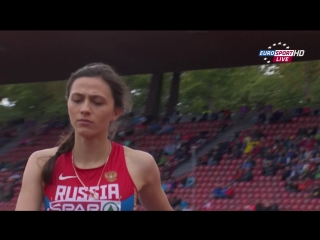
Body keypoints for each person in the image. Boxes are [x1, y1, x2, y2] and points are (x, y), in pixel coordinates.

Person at [15, 63, 173, 211]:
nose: (84, 109)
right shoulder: (40, 162)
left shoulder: (140, 164)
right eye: (77, 100)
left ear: (116, 112)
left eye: (97, 102)